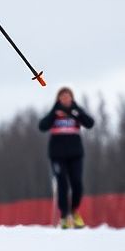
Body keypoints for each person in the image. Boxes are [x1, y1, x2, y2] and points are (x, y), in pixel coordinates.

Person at [39, 87, 94, 228]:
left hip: (75, 154)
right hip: (57, 156)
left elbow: (90, 123)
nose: (65, 99)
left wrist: (76, 112)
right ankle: (64, 215)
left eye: (68, 96)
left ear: (72, 98)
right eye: (62, 97)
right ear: (58, 99)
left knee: (77, 183)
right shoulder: (55, 113)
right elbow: (42, 126)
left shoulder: (76, 112)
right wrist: (54, 112)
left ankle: (74, 212)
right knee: (62, 183)